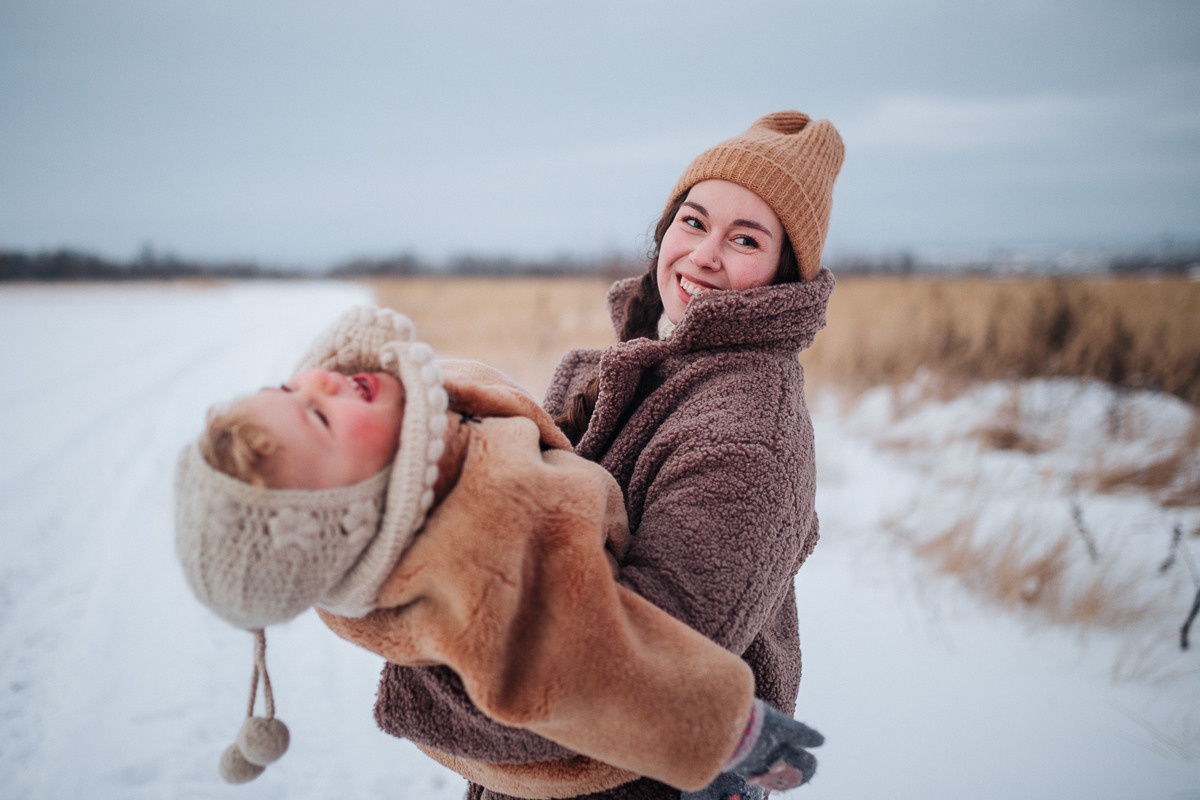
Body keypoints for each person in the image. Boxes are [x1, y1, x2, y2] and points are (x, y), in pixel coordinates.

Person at [323, 109, 844, 800]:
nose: (704, 254)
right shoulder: (625, 373)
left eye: (744, 238)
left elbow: (633, 670)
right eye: (693, 221)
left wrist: (432, 653)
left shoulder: (748, 430)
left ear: (784, 273)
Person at [174, 305, 824, 793]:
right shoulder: (470, 554)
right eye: (317, 417)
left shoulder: (408, 452)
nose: (321, 381)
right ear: (343, 511)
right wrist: (723, 735)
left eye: (291, 389)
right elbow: (585, 666)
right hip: (600, 754)